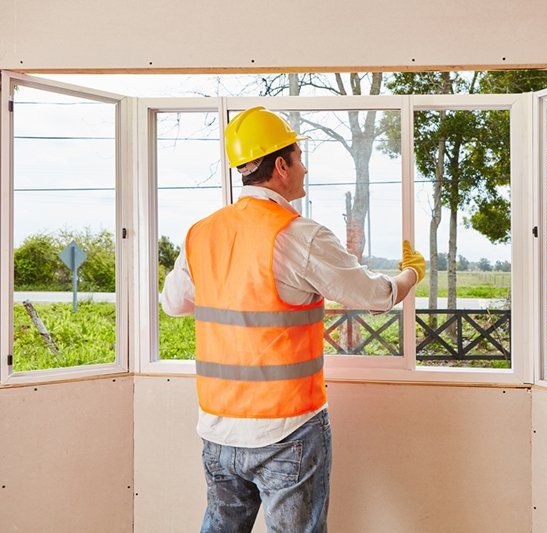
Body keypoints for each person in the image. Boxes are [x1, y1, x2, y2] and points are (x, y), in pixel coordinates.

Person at [160, 106, 425, 533]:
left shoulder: (202, 233)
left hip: (218, 428)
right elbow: (376, 295)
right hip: (287, 430)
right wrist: (411, 274)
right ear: (281, 165)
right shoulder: (300, 235)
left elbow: (174, 302)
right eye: (300, 157)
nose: (305, 167)